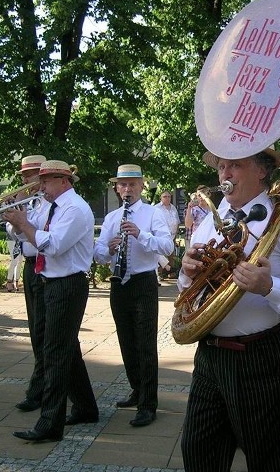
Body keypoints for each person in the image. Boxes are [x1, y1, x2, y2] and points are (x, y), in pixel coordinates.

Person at [179, 148, 280, 471]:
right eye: (221, 166)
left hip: (261, 357)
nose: (224, 174)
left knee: (265, 460)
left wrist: (268, 286)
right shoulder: (212, 221)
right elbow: (185, 290)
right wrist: (187, 271)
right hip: (211, 356)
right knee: (198, 454)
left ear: (262, 170)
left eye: (235, 166)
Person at [4, 160, 99, 442]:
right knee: (65, 350)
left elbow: (54, 245)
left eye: (44, 182)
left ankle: (50, 423)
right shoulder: (50, 205)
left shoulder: (75, 208)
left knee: (55, 354)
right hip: (50, 282)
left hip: (67, 284)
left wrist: (24, 224)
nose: (40, 187)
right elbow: (31, 238)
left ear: (62, 181)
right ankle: (85, 407)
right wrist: (18, 222)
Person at [94, 164, 173, 427]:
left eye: (132, 184)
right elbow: (99, 254)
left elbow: (167, 245)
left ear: (141, 186)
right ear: (117, 188)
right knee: (126, 341)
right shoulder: (112, 217)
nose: (127, 189)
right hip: (119, 284)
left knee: (145, 343)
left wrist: (141, 234)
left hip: (143, 282)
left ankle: (148, 403)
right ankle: (137, 389)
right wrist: (108, 248)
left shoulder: (152, 214)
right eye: (123, 185)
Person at [6, 154, 48, 412]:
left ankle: (39, 389)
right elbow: (17, 235)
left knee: (45, 333)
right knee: (35, 331)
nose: (24, 181)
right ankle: (44, 385)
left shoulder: (46, 203)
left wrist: (23, 215)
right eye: (23, 176)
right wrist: (12, 218)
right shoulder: (30, 202)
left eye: (28, 176)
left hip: (47, 269)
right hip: (31, 269)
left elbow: (42, 236)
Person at [154, 190, 180, 281]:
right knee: (161, 254)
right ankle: (160, 273)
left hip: (172, 235)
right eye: (165, 196)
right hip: (160, 236)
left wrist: (176, 233)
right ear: (160, 198)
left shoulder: (173, 208)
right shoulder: (156, 208)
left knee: (171, 254)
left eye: (169, 196)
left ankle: (170, 273)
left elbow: (177, 221)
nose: (167, 198)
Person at [184, 185, 211, 250]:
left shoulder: (212, 209)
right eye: (199, 195)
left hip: (210, 237)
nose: (201, 197)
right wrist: (189, 208)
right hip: (198, 238)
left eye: (203, 194)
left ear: (208, 194)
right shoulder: (195, 209)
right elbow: (188, 225)